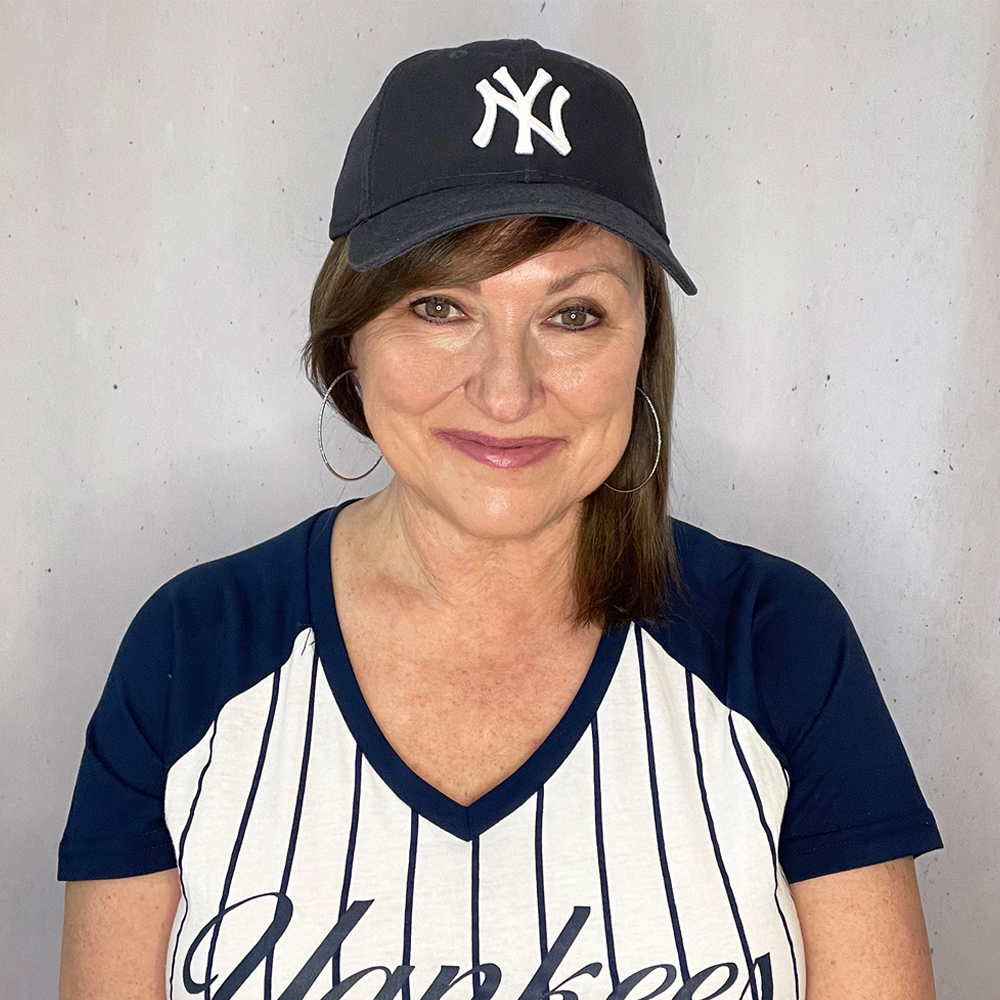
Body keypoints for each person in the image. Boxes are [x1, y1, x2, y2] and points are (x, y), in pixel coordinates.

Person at [58, 37, 942, 1000]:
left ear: (643, 343)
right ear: (349, 339)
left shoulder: (777, 645)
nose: (506, 391)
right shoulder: (195, 652)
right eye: (439, 307)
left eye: (574, 316)